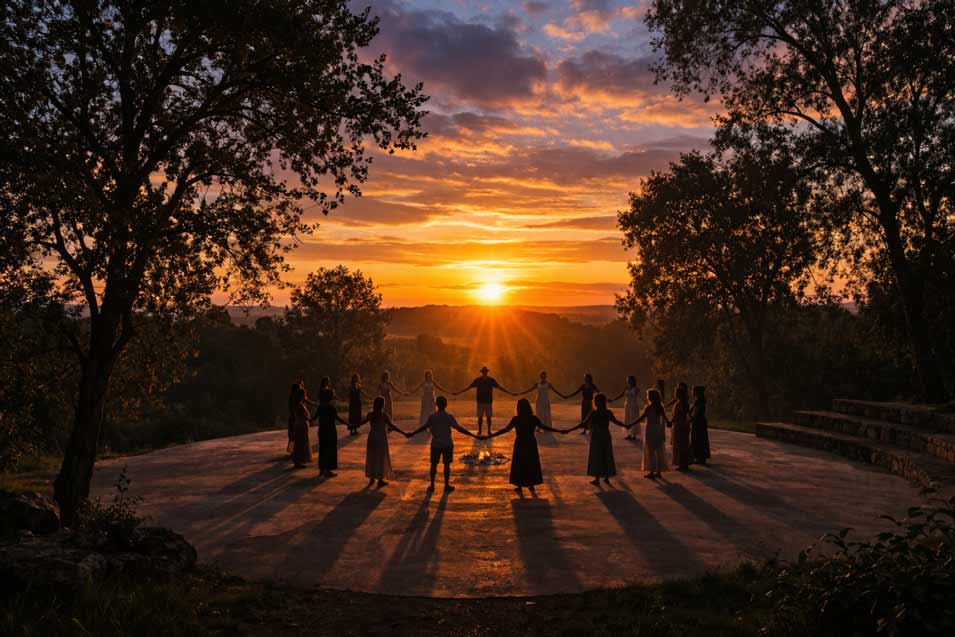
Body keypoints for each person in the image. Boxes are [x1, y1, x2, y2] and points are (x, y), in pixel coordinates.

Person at [483, 398, 562, 494]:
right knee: (531, 462)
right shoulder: (533, 418)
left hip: (520, 443)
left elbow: (505, 430)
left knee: (519, 463)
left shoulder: (516, 419)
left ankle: (519, 485)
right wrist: (559, 431)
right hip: (530, 443)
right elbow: (544, 427)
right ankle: (531, 484)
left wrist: (491, 435)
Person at [407, 395, 479, 493]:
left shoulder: (432, 416)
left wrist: (413, 433)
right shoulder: (449, 417)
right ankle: (446, 485)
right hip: (447, 444)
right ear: (446, 405)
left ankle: (432, 485)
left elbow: (424, 427)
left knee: (433, 465)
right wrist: (473, 435)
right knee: (447, 466)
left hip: (436, 444)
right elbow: (459, 428)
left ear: (436, 404)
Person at [562, 393, 628, 486]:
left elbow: (583, 423)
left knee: (598, 456)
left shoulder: (594, 413)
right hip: (604, 435)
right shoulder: (606, 412)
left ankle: (598, 478)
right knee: (605, 454)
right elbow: (616, 422)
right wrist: (626, 426)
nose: (596, 402)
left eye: (597, 401)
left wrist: (569, 430)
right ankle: (605, 477)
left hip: (597, 436)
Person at [356, 396, 410, 488]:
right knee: (380, 458)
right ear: (382, 405)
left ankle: (372, 477)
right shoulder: (383, 415)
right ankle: (380, 479)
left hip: (372, 437)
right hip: (381, 438)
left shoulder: (370, 414)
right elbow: (392, 426)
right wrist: (404, 433)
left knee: (372, 456)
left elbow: (361, 423)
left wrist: (351, 425)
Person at [453, 366, 515, 436]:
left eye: (485, 372)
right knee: (480, 417)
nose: (484, 373)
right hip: (480, 402)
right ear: (482, 372)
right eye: (484, 372)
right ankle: (480, 430)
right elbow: (469, 387)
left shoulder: (491, 380)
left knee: (489, 417)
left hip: (488, 402)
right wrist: (459, 392)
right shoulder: (478, 380)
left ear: (487, 372)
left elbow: (500, 388)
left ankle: (489, 430)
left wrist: (510, 393)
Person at [631, 389, 669, 479]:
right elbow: (665, 418)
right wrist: (669, 422)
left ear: (650, 397)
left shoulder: (648, 407)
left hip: (650, 430)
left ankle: (652, 471)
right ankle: (659, 471)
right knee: (659, 450)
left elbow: (642, 418)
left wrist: (631, 424)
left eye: (648, 395)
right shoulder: (660, 407)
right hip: (658, 429)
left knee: (651, 451)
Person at [311, 388, 349, 477]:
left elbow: (314, 418)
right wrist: (347, 424)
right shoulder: (331, 407)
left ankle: (322, 469)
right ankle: (327, 470)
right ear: (330, 397)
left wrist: (308, 419)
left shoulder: (321, 406)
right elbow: (337, 418)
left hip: (322, 430)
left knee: (322, 449)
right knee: (330, 449)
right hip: (330, 430)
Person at [609, 376, 641, 440]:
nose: (629, 382)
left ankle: (633, 434)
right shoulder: (626, 388)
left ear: (633, 381)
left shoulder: (636, 389)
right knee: (627, 418)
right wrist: (613, 400)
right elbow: (621, 395)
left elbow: (639, 395)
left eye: (630, 380)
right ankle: (629, 433)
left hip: (633, 405)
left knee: (633, 418)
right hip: (627, 405)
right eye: (628, 380)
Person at [289, 385, 313, 468]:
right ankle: (298, 461)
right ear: (301, 396)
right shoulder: (299, 405)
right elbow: (304, 416)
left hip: (300, 425)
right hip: (301, 425)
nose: (305, 396)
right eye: (304, 395)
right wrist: (311, 419)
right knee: (301, 444)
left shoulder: (298, 404)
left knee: (300, 443)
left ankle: (298, 461)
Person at [670, 384, 692, 471]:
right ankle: (683, 463)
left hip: (680, 426)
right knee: (683, 444)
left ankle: (682, 464)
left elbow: (682, 415)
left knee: (680, 444)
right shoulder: (681, 403)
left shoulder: (681, 404)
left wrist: (674, 421)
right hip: (681, 425)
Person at [690, 385, 711, 465]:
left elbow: (697, 412)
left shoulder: (700, 401)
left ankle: (700, 457)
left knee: (699, 439)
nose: (692, 392)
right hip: (699, 421)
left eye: (693, 391)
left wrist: (691, 418)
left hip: (699, 422)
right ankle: (699, 457)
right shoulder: (698, 400)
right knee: (699, 439)